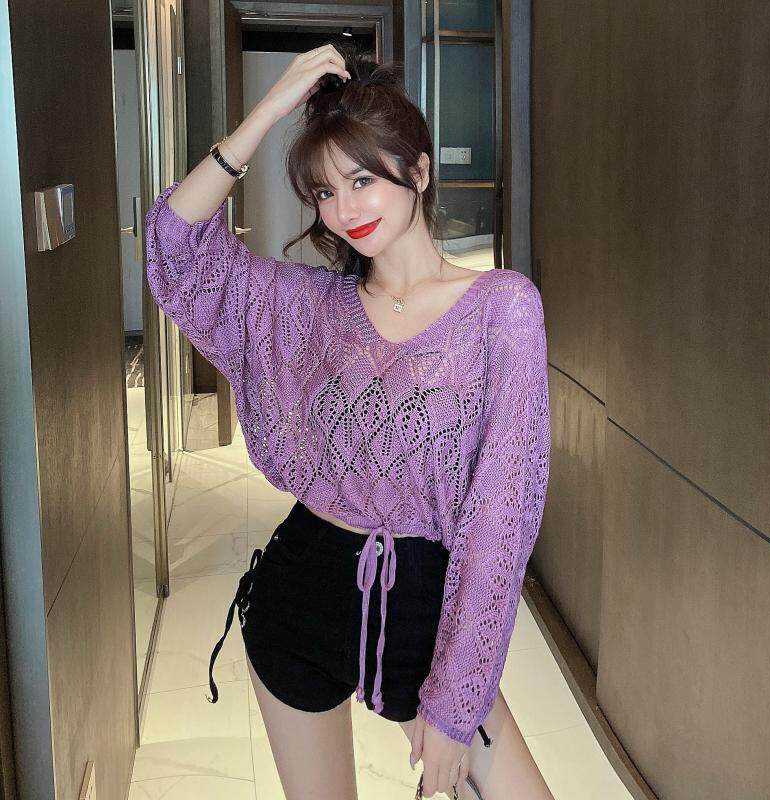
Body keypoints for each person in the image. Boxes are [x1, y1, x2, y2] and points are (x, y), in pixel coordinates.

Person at [144, 41, 553, 800]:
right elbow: (174, 245)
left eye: (363, 179)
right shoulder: (309, 307)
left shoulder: (501, 309)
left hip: (423, 615)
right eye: (325, 192)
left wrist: (456, 706)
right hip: (297, 596)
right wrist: (268, 111)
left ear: (419, 172)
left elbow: (503, 517)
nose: (345, 210)